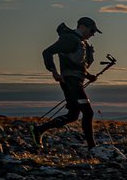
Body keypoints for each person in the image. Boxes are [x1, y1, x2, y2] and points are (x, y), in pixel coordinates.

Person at [31, 17, 101, 149]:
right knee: (88, 112)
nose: (93, 34)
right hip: (71, 82)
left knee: (73, 115)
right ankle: (92, 147)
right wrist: (54, 72)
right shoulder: (70, 39)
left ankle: (39, 130)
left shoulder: (81, 42)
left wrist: (88, 76)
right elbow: (47, 52)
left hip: (73, 81)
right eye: (92, 31)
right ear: (83, 26)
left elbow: (75, 65)